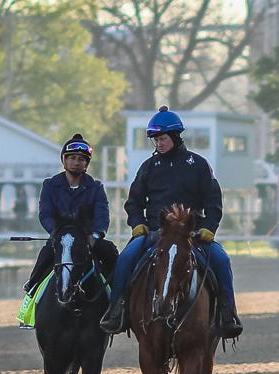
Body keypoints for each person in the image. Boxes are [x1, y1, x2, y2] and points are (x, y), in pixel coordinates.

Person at [99, 106, 243, 339]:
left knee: (222, 259)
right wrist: (137, 224)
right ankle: (118, 309)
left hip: (193, 233)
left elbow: (214, 201)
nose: (158, 144)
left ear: (175, 137)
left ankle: (227, 313)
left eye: (162, 138)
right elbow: (133, 201)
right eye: (155, 140)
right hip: (156, 233)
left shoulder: (198, 164)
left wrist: (209, 228)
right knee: (125, 259)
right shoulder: (148, 167)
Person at [22, 134, 118, 294]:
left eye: (81, 159)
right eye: (72, 158)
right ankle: (32, 286)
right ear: (64, 160)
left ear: (86, 164)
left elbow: (102, 215)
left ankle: (119, 295)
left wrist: (95, 235)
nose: (76, 162)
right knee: (46, 253)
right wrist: (55, 232)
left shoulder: (96, 187)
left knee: (110, 251)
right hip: (61, 237)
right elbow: (45, 214)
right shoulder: (50, 185)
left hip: (88, 239)